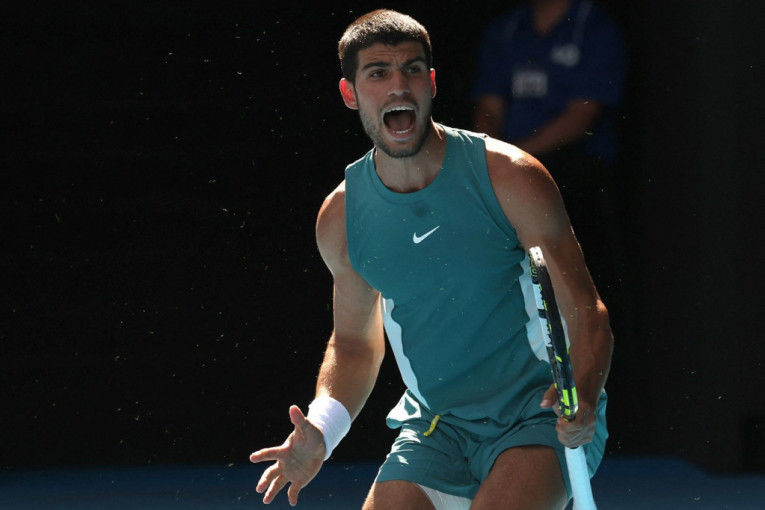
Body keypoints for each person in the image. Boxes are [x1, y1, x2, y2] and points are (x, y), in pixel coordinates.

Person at [250, 9, 613, 510]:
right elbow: (355, 345)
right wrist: (323, 430)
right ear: (350, 93)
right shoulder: (341, 218)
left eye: (413, 70)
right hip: (436, 426)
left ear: (432, 83)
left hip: (540, 414)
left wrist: (585, 395)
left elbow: (586, 311)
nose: (399, 86)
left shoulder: (511, 177)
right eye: (378, 73)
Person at [471, 0, 627, 293]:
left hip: (575, 174)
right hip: (509, 173)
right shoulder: (506, 29)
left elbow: (580, 117)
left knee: (574, 283)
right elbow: (488, 107)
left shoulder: (594, 27)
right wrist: (494, 157)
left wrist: (515, 158)